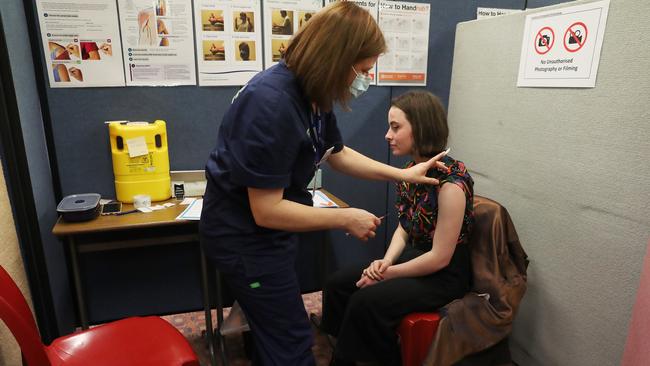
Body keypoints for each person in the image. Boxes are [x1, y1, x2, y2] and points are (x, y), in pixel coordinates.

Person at [200, 3, 447, 365]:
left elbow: (336, 152)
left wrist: (402, 174)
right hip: (245, 239)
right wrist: (346, 217)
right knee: (292, 342)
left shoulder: (314, 92)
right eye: (362, 70)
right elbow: (266, 209)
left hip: (267, 235)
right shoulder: (271, 103)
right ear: (337, 60)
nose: (363, 79)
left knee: (277, 331)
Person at [321, 91, 475, 366]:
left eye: (395, 127)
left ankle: (356, 358)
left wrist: (387, 275)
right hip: (413, 259)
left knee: (366, 301)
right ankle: (343, 345)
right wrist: (386, 261)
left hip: (444, 274)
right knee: (338, 284)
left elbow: (440, 258)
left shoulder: (451, 184)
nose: (387, 136)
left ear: (421, 127)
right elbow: (404, 227)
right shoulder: (409, 171)